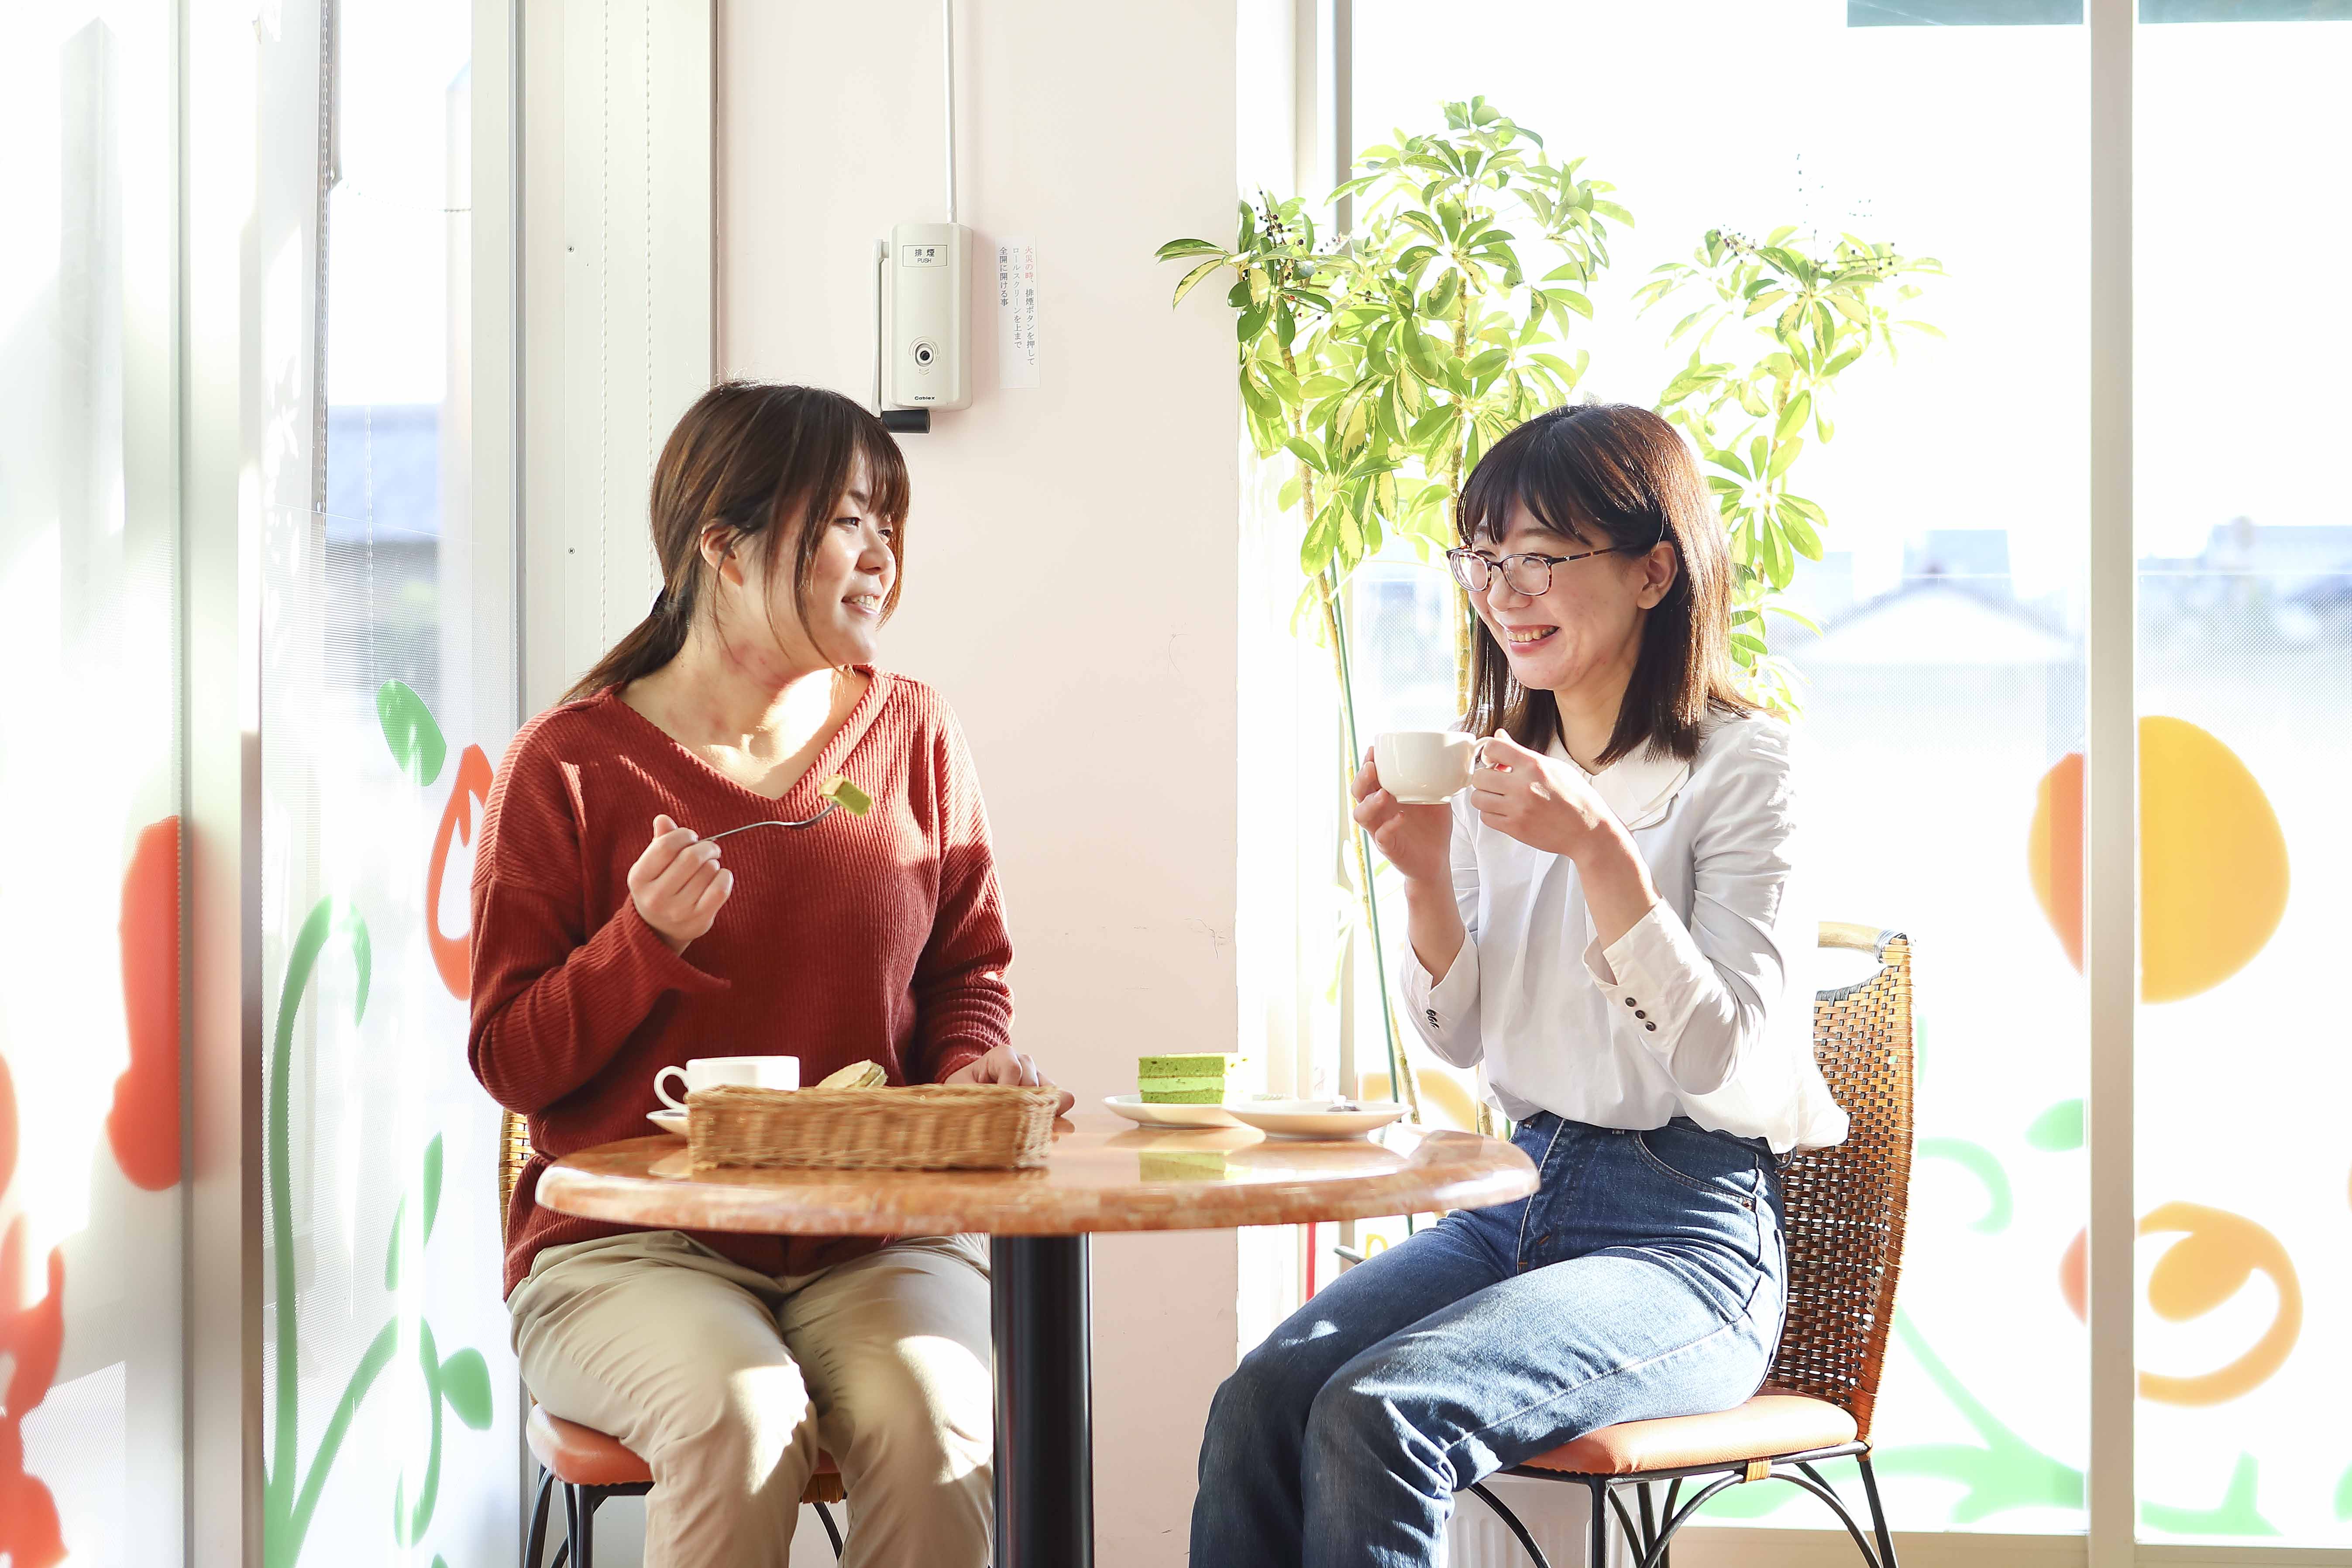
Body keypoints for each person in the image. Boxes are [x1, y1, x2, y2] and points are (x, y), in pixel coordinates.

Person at [1191, 404, 1848, 1567]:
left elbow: (1725, 1059)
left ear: (1655, 571)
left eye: (1543, 555)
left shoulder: (1748, 769)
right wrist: (1426, 881)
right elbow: (1458, 1041)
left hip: (1685, 1239)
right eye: (1485, 558)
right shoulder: (1495, 765)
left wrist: (1599, 851)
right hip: (1514, 1198)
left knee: (1378, 1413)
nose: (1505, 591)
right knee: (1261, 1398)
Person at [470, 381, 1068, 1568]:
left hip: (877, 1237)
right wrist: (640, 944)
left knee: (937, 1427)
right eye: (848, 517)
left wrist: (967, 1070)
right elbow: (511, 1061)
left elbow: (965, 974)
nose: (881, 551)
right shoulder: (571, 764)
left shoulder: (914, 731)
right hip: (626, 1247)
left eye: (887, 521)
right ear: (723, 544)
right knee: (741, 1418)